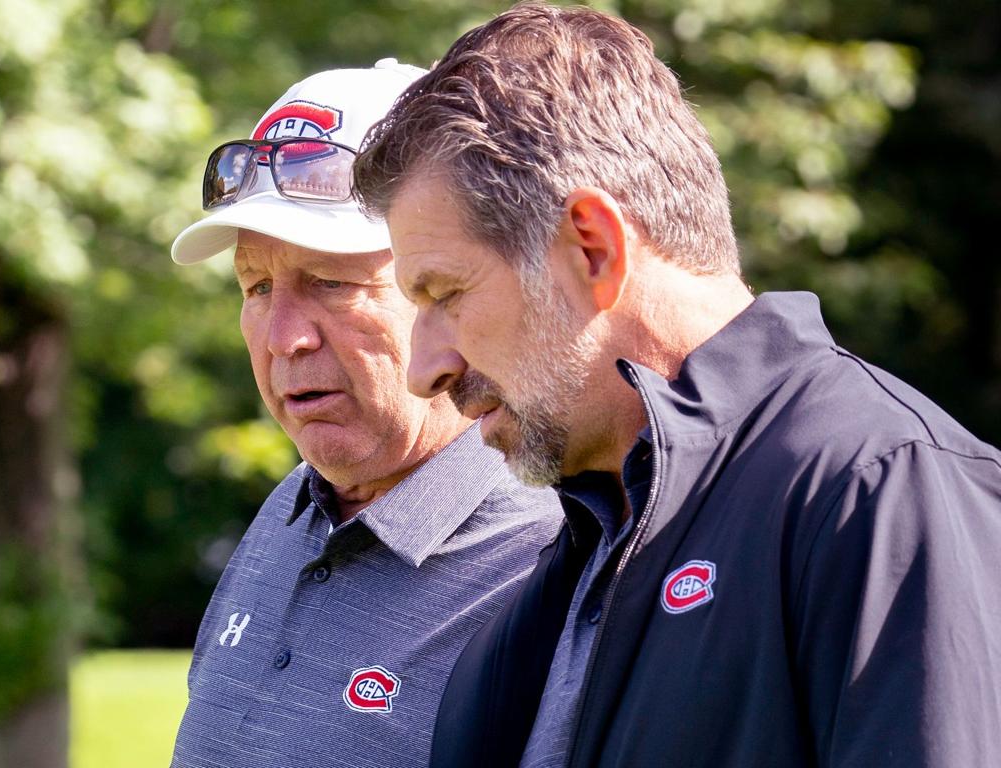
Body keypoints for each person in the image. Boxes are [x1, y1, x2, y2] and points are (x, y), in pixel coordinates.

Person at [353, 5, 1001, 768]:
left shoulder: (879, 487)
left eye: (444, 294)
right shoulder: (583, 546)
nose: (424, 368)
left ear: (591, 248)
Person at [166, 59, 562, 768]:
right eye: (256, 288)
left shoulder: (554, 556)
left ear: (443, 288)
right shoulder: (291, 509)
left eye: (330, 282)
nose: (286, 336)